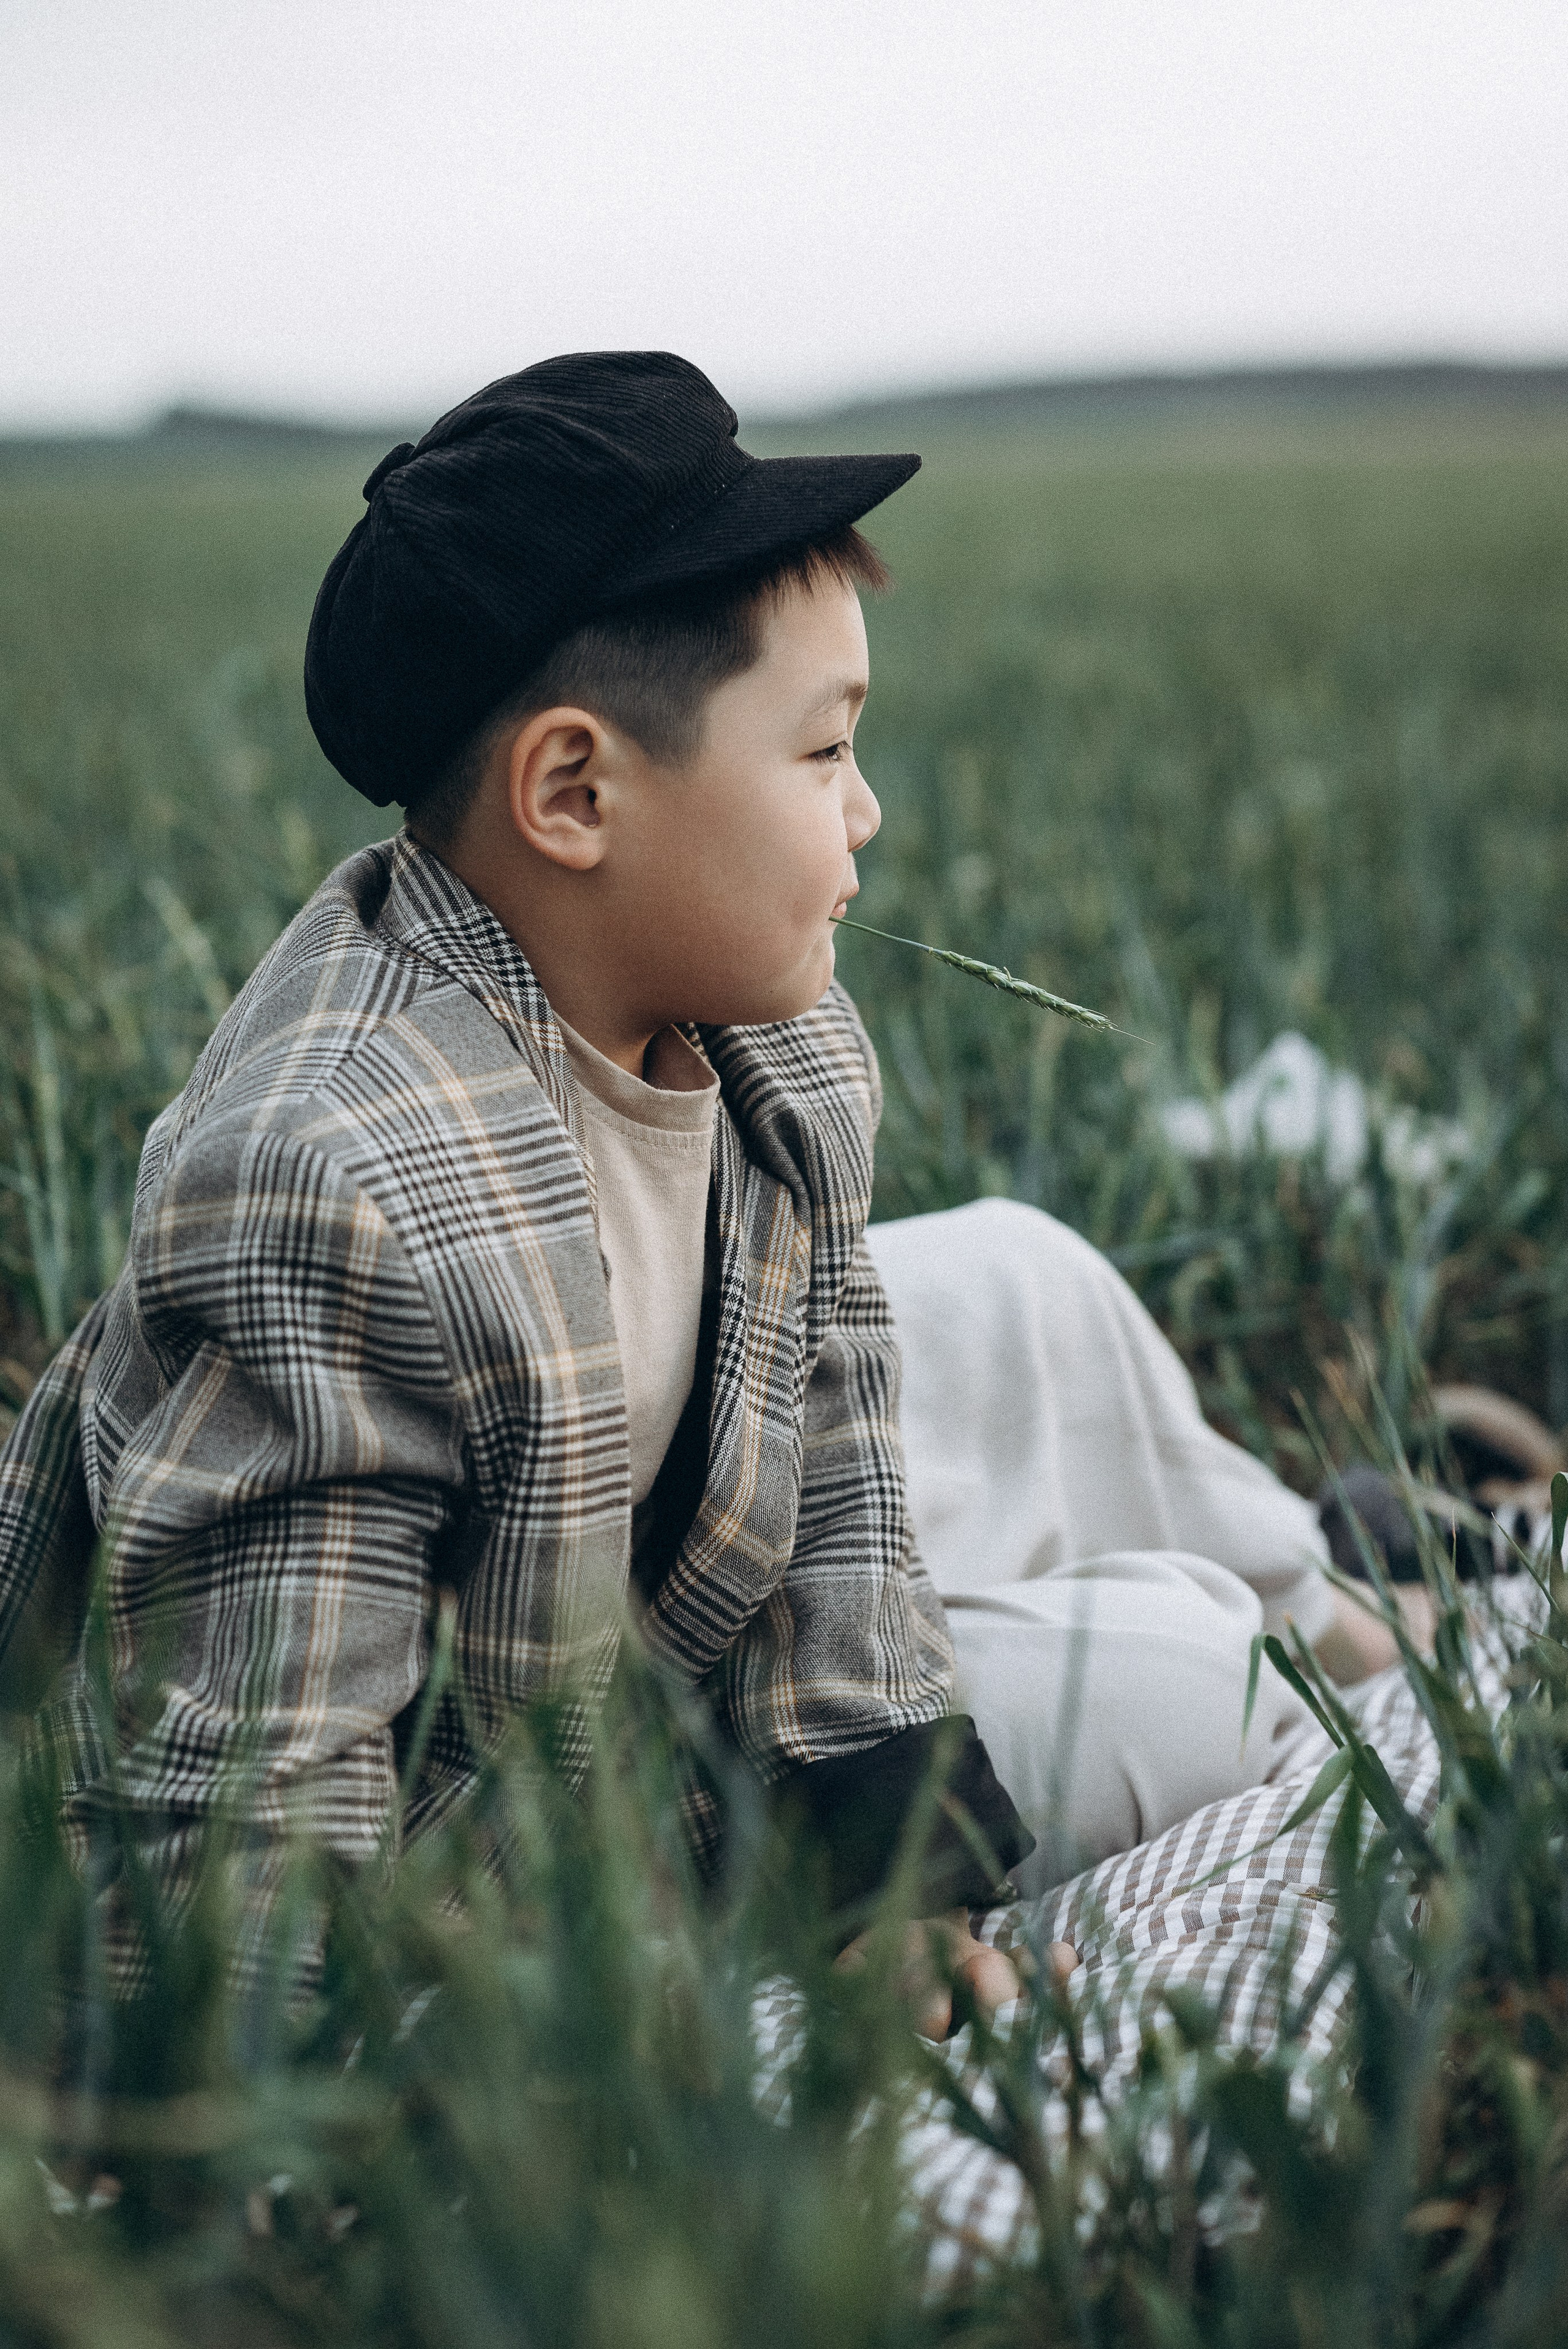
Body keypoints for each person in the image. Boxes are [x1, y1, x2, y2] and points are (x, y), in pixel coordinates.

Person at [0, 352, 1029, 2030]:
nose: (870, 810)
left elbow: (839, 1473)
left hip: (658, 1699)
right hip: (471, 1867)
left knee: (1054, 1452)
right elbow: (261, 1785)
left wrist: (887, 1879)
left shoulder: (792, 1053)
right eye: (824, 749)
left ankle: (1352, 1566)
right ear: (573, 793)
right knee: (1171, 1710)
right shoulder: (327, 1176)